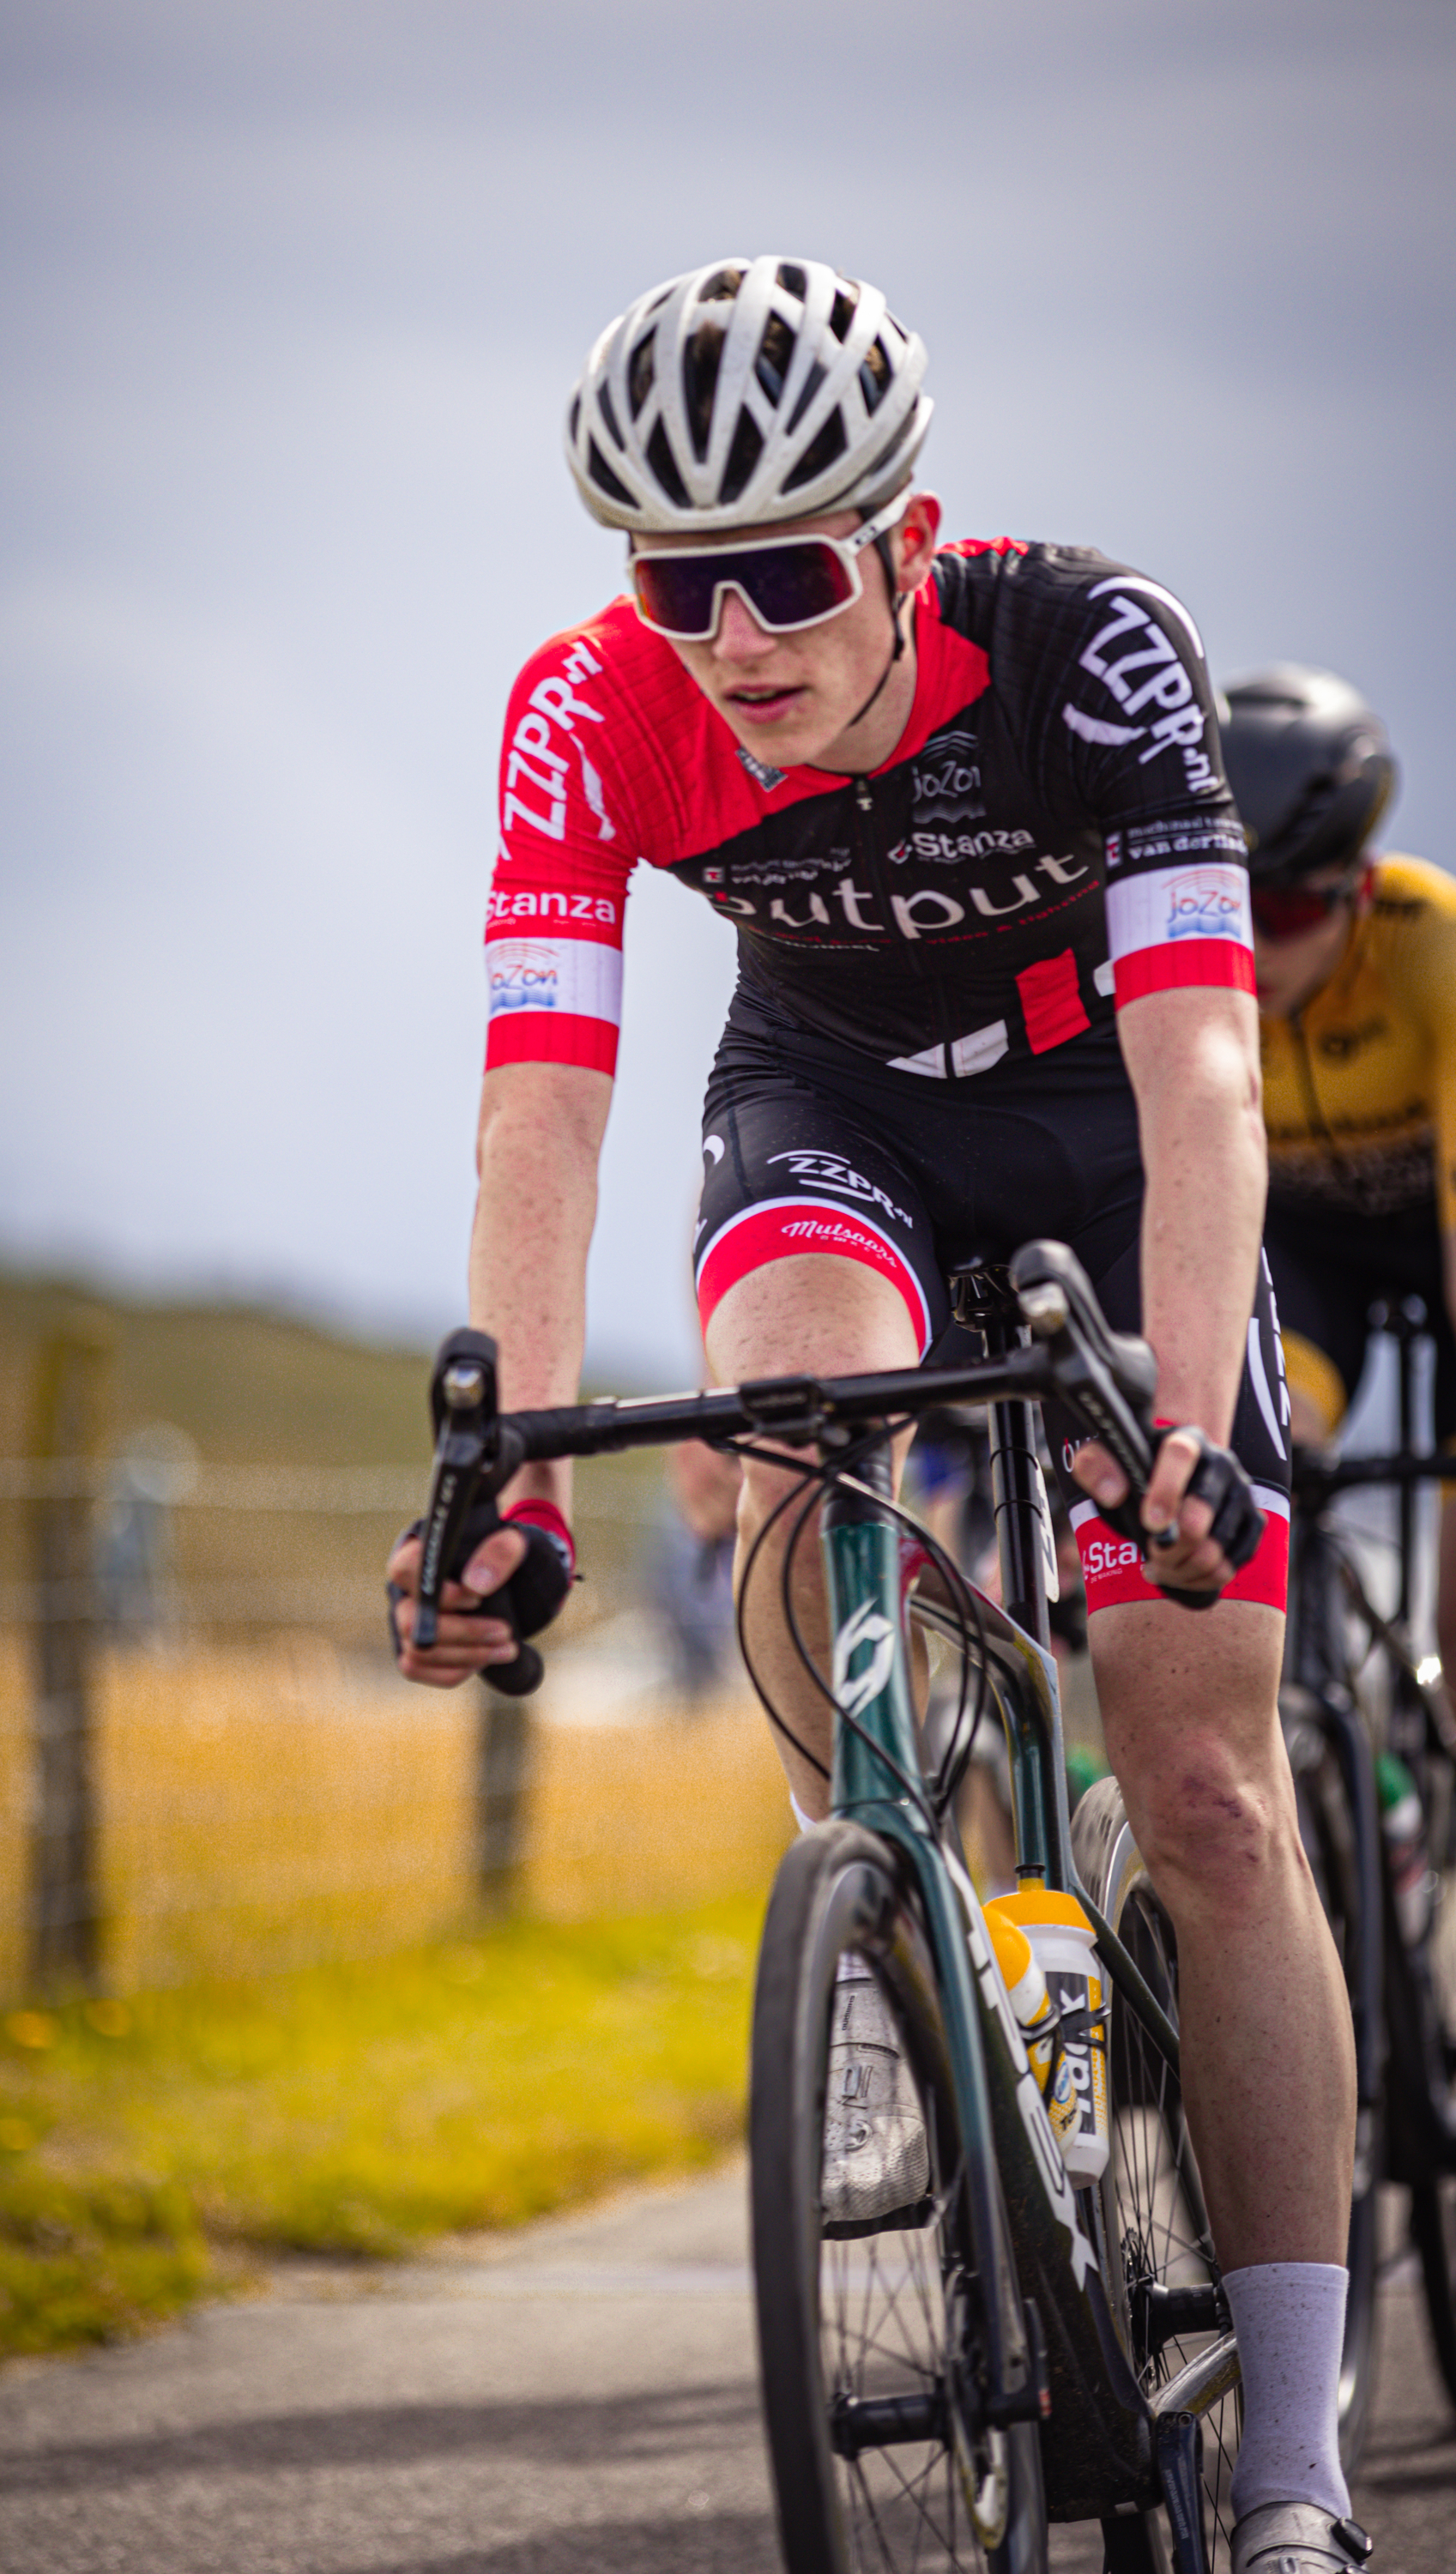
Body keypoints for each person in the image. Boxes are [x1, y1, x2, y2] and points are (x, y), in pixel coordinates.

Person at [388, 259, 1359, 2572]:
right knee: (793, 1413)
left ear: (905, 535)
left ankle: (1306, 2467)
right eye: (670, 580)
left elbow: (1202, 1066)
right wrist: (509, 1468)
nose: (729, 635)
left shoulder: (1087, 650)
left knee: (1210, 1780)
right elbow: (543, 1109)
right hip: (833, 1107)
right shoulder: (590, 710)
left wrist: (1193, 1413)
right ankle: (905, 1918)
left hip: (1114, 1147)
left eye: (784, 576)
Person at [1222, 664, 1456, 1683]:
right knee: (1261, 1452)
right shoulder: (1182, 969)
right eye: (1226, 909)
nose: (1251, 947)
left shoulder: (1429, 942)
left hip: (1432, 1230)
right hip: (1308, 1250)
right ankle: (1310, 1721)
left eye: (1282, 913)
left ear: (1355, 889)